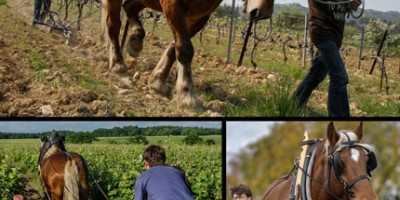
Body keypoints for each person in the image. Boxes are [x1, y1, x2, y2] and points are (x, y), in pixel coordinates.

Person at [292, 0, 362, 117]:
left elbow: (341, 7)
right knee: (339, 77)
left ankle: (295, 103)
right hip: (322, 30)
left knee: (316, 75)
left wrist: (352, 5)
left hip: (335, 36)